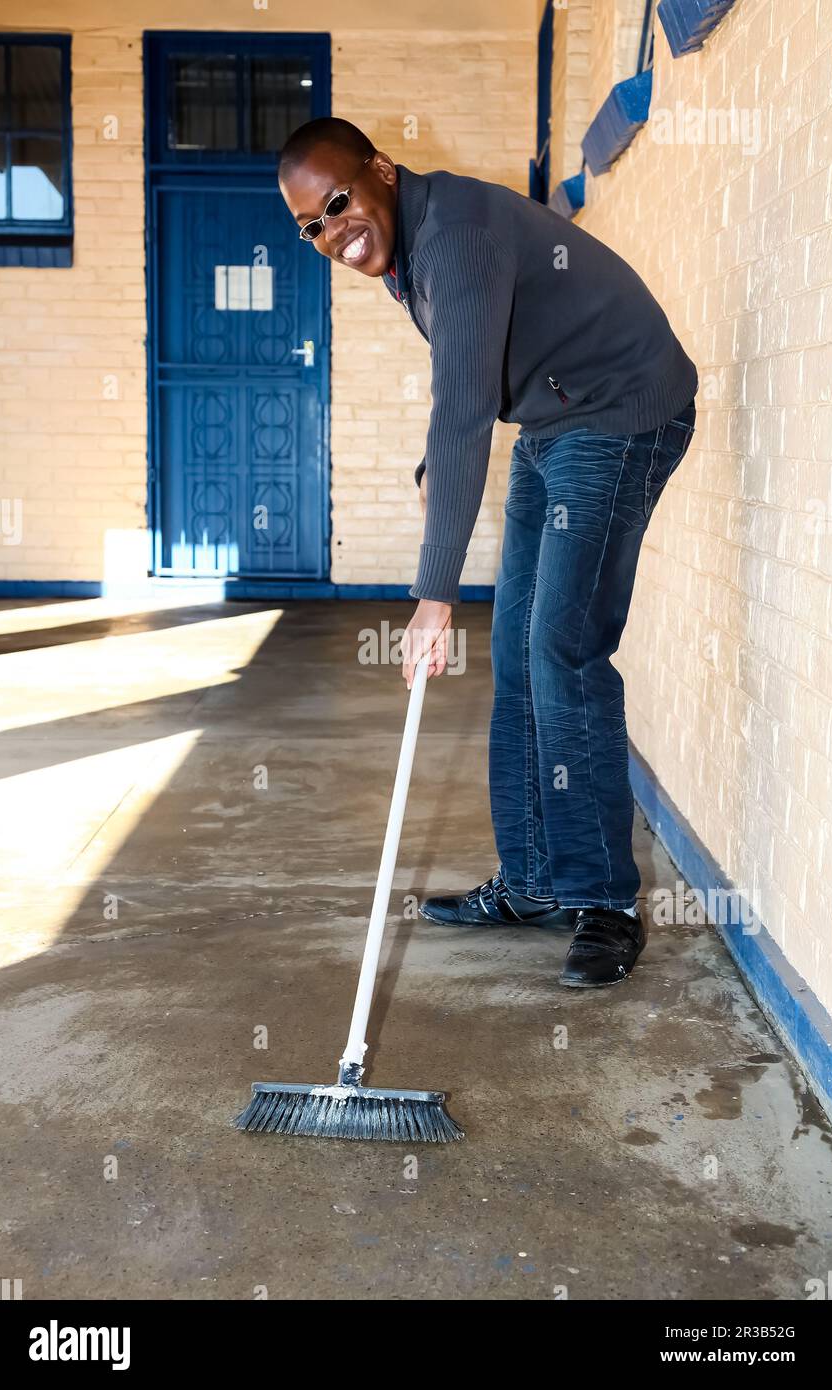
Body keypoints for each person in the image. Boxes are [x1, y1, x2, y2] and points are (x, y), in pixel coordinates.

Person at [279, 118, 697, 989]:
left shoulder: (456, 236)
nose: (333, 232)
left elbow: (468, 413)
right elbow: (462, 389)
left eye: (341, 202)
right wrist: (440, 460)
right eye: (311, 226)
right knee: (514, 651)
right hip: (555, 420)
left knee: (563, 650)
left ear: (381, 172)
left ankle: (605, 902)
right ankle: (536, 881)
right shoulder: (405, 253)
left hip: (622, 411)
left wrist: (434, 598)